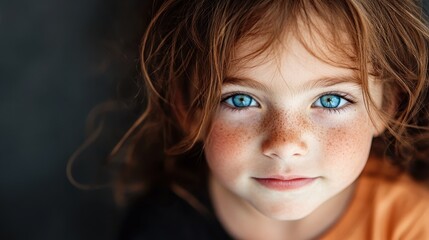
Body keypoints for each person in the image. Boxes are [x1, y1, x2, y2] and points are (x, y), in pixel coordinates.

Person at [114, 0, 429, 239]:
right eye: (241, 100)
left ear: (386, 106)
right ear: (188, 110)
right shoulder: (161, 225)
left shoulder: (410, 224)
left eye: (330, 100)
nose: (285, 145)